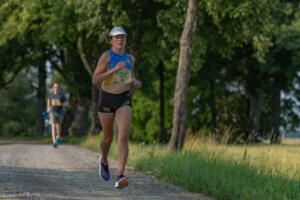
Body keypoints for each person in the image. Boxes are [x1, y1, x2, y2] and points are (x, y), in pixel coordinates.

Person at [92, 27, 142, 189]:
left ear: (126, 40)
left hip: (123, 99)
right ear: (111, 40)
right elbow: (95, 79)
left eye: (123, 37)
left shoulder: (130, 59)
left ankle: (120, 175)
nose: (120, 40)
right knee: (108, 139)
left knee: (123, 136)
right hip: (106, 99)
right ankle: (104, 160)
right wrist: (113, 69)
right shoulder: (107, 56)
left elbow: (129, 75)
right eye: (117, 37)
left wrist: (135, 81)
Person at [47, 83, 68, 148]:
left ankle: (58, 137)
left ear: (59, 88)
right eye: (55, 87)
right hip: (52, 112)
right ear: (53, 88)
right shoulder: (51, 94)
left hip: (60, 112)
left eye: (57, 87)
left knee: (58, 126)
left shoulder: (62, 95)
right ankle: (54, 142)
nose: (56, 88)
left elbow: (67, 103)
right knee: (53, 126)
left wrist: (61, 103)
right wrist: (47, 107)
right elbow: (48, 101)